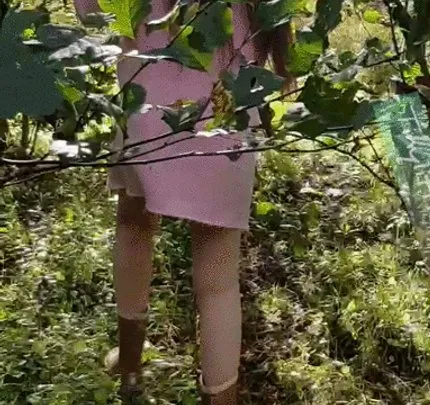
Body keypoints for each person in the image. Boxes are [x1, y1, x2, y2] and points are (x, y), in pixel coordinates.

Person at [72, 0, 292, 403]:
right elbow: (271, 23)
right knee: (218, 279)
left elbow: (92, 12)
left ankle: (131, 366)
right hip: (225, 106)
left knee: (133, 222)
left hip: (145, 99)